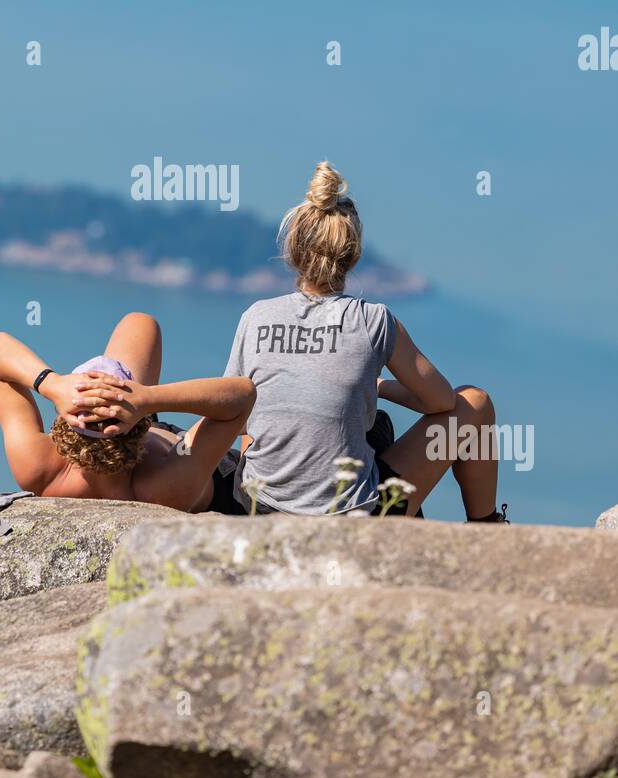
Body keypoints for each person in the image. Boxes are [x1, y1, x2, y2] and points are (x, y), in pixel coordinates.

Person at [215, 161, 507, 521]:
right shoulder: (373, 321)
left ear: (293, 251)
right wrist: (380, 386)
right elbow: (442, 401)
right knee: (475, 403)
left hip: (260, 505)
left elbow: (238, 416)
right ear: (352, 256)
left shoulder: (255, 316)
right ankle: (487, 526)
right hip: (353, 516)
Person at [0, 313, 255, 512]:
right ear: (141, 426)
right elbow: (244, 396)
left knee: (140, 323)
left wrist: (51, 384)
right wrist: (148, 398)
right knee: (141, 321)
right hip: (182, 456)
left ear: (65, 426)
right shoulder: (166, 487)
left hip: (137, 448)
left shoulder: (40, 467)